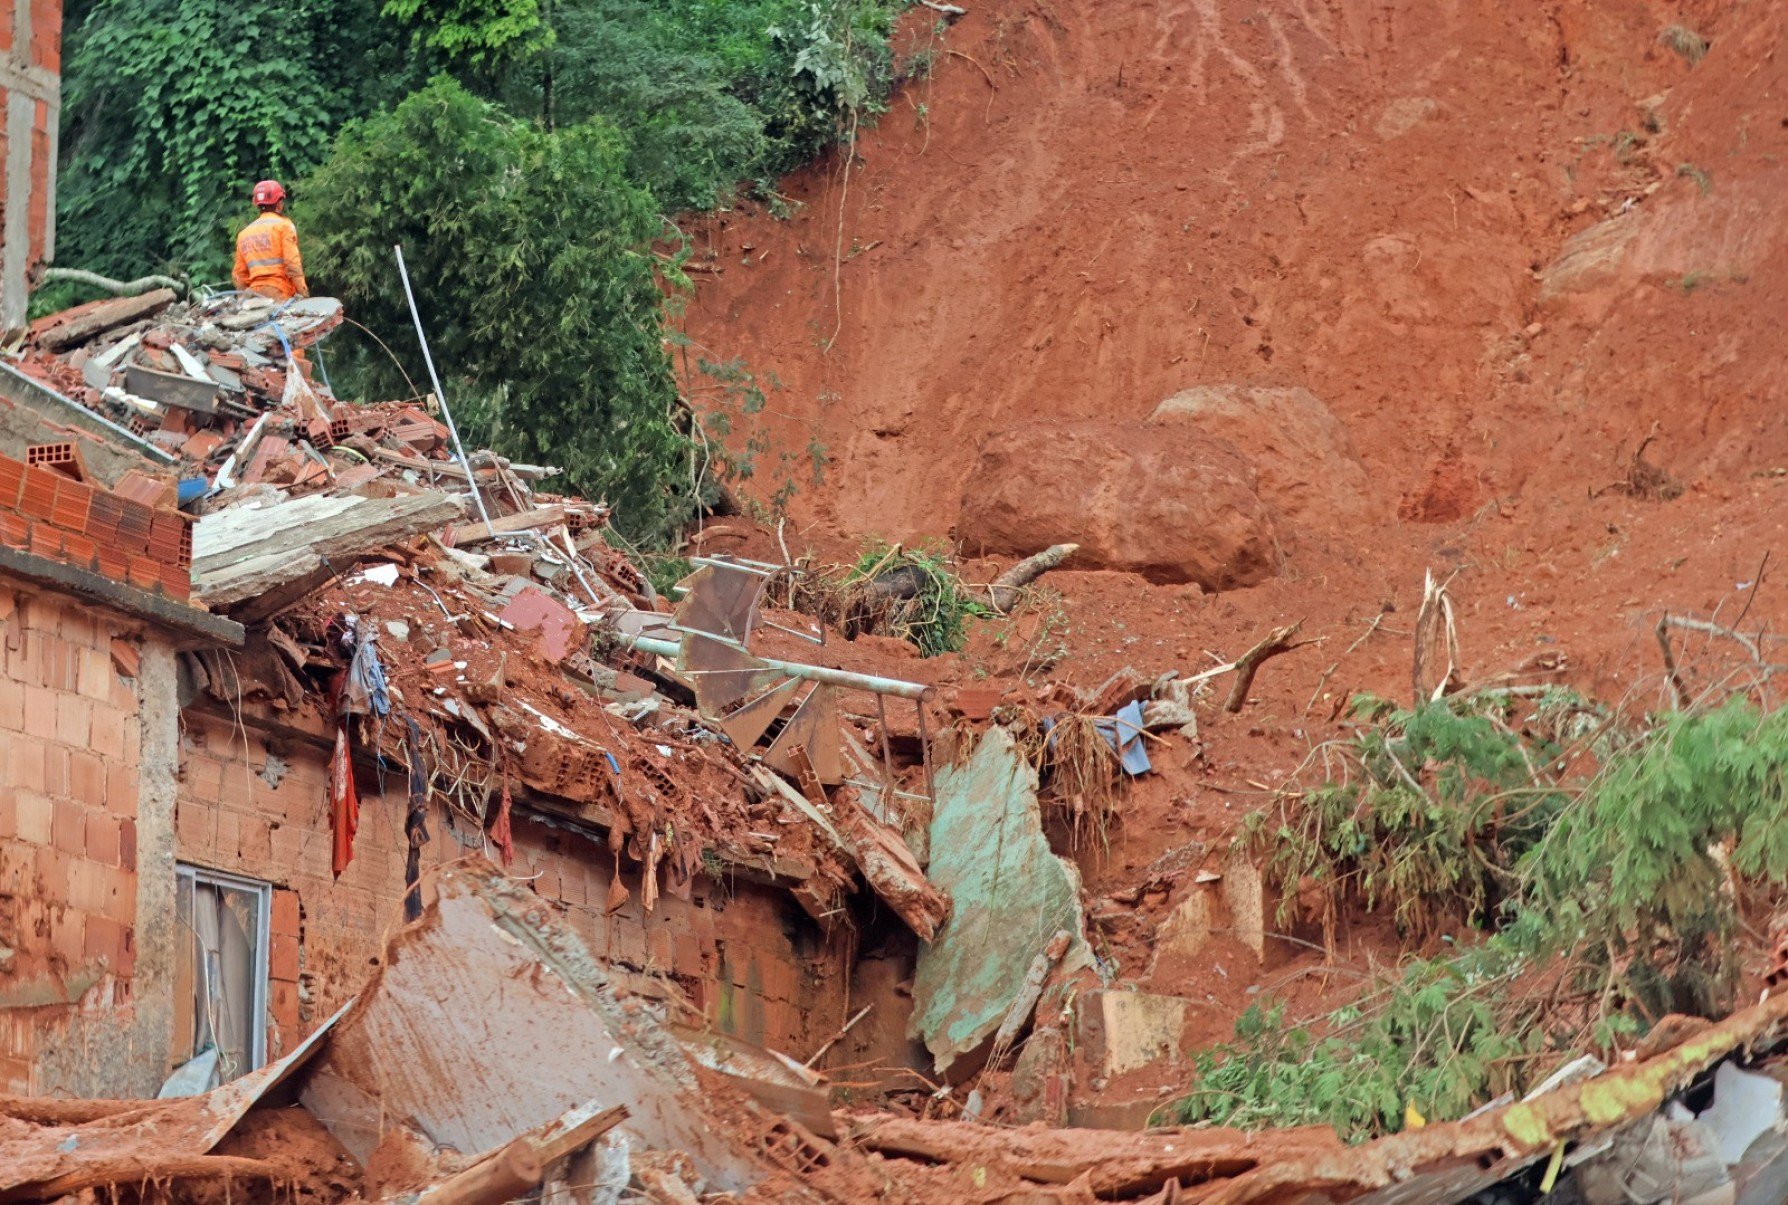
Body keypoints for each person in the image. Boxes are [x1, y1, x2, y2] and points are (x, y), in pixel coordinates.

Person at [232, 180, 310, 301]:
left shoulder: (244, 234)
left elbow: (239, 274)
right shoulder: (284, 226)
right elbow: (292, 263)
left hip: (255, 297)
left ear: (256, 204)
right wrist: (303, 292)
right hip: (279, 293)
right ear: (279, 203)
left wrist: (242, 301)